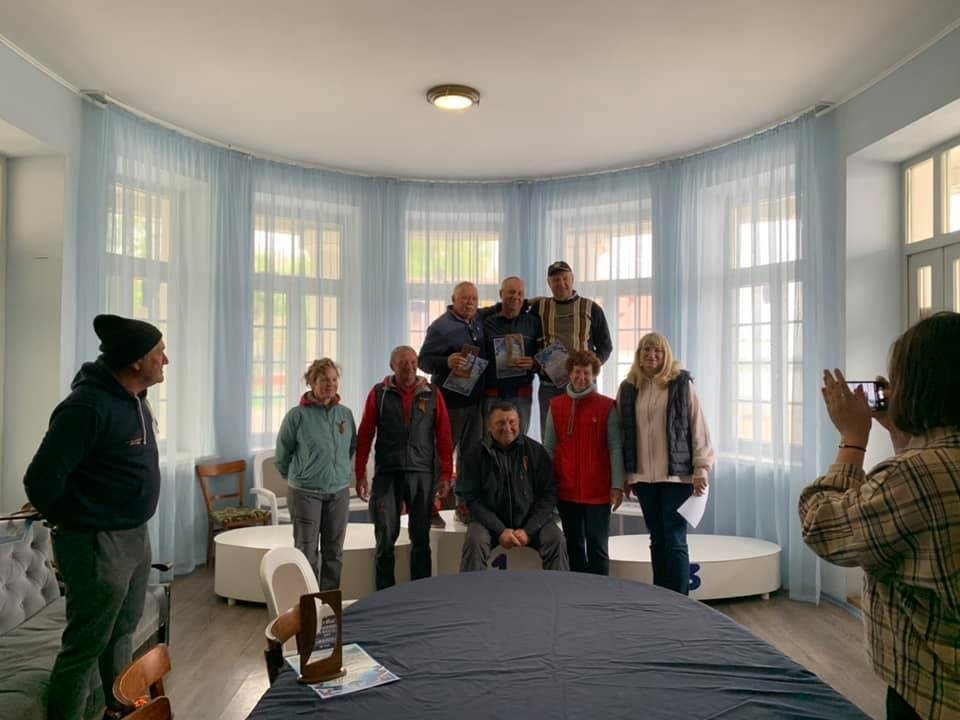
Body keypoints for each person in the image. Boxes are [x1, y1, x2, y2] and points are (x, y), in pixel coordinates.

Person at [799, 312, 960, 720]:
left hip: (932, 692)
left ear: (917, 387)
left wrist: (853, 440)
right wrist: (902, 434)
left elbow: (821, 527)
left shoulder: (915, 476)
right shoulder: (927, 468)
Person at [22, 314, 167, 720]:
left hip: (135, 536)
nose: (165, 360)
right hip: (98, 543)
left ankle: (120, 712)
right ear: (136, 360)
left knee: (122, 633)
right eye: (159, 352)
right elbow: (40, 481)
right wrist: (79, 524)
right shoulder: (86, 407)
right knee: (84, 648)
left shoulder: (136, 398)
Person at [617, 332, 714, 595]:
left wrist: (701, 467)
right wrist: (626, 475)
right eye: (646, 350)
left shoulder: (681, 383)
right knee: (657, 539)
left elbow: (698, 426)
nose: (652, 355)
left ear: (666, 355)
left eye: (657, 351)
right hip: (643, 478)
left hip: (676, 477)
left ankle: (680, 600)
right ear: (639, 355)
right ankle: (662, 598)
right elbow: (623, 434)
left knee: (674, 539)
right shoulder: (628, 387)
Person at [355, 346, 454, 589]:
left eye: (413, 362)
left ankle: (419, 595)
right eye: (403, 363)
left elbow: (444, 435)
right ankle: (384, 597)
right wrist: (360, 473)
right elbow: (365, 434)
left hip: (422, 474)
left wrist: (446, 474)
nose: (409, 367)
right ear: (392, 366)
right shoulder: (379, 393)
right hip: (387, 474)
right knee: (385, 540)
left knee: (421, 540)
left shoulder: (432, 393)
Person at [274, 358, 356, 590]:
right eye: (323, 380)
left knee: (334, 552)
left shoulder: (345, 414)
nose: (330, 384)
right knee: (306, 551)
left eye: (333, 379)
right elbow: (282, 454)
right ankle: (308, 603)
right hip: (305, 493)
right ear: (311, 382)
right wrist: (300, 476)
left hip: (338, 493)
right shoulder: (296, 416)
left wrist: (340, 473)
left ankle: (328, 603)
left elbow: (351, 447)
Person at [458, 401, 569, 572]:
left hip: (532, 522)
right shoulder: (474, 454)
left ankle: (558, 589)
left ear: (519, 423)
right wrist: (500, 530)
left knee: (556, 541)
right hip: (489, 523)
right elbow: (472, 499)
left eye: (512, 422)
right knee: (474, 542)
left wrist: (528, 530)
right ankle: (472, 589)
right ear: (489, 426)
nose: (507, 428)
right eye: (500, 423)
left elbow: (548, 495)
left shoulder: (536, 452)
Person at [543, 350, 624, 575]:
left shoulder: (607, 406)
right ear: (569, 373)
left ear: (594, 374)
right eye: (577, 372)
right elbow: (548, 449)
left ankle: (600, 592)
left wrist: (617, 485)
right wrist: (546, 487)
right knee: (574, 546)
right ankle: (578, 591)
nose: (581, 378)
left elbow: (616, 448)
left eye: (587, 373)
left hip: (598, 492)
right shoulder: (556, 406)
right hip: (566, 490)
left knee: (598, 546)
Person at [529, 261, 612, 433]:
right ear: (548, 283)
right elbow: (528, 338)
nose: (561, 283)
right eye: (555, 280)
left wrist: (590, 368)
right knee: (551, 435)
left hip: (583, 384)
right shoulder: (539, 308)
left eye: (565, 278)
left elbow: (605, 346)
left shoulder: (591, 308)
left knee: (586, 432)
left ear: (572, 279)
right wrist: (534, 363)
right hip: (549, 385)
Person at [478, 276, 542, 434]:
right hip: (492, 395)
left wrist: (534, 362)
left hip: (521, 395)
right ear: (501, 294)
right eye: (511, 292)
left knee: (519, 441)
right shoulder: (486, 322)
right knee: (489, 441)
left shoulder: (534, 323)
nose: (516, 297)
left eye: (520, 293)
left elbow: (544, 353)